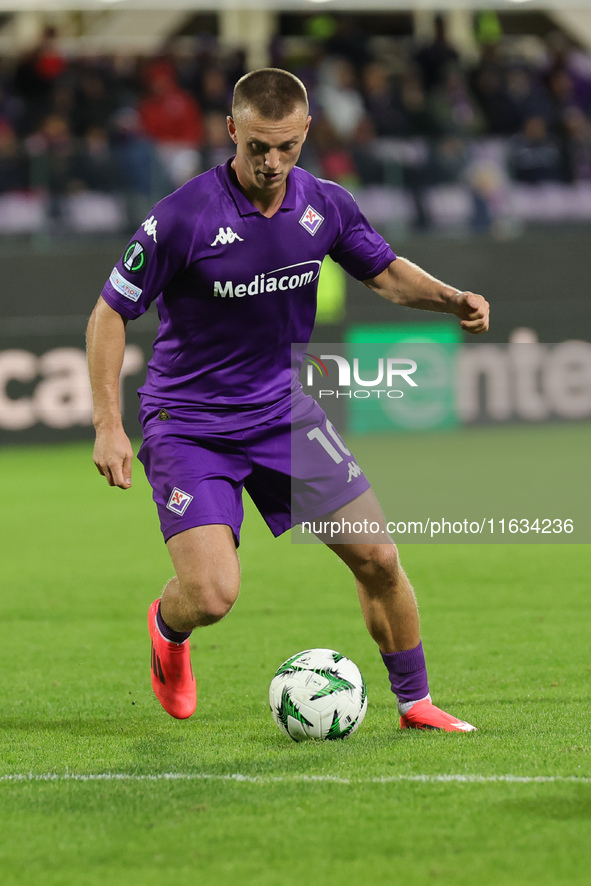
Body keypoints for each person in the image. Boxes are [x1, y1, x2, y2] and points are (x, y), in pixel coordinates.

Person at [86, 68, 489, 731]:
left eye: (285, 147)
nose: (271, 163)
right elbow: (108, 314)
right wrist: (107, 423)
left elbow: (384, 275)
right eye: (256, 148)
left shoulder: (325, 204)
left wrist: (450, 300)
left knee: (379, 558)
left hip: (281, 413)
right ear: (230, 132)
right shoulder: (182, 217)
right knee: (212, 595)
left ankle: (414, 702)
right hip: (189, 424)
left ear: (305, 131)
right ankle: (168, 627)